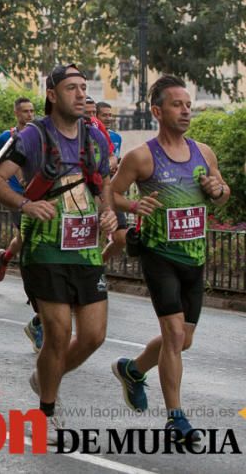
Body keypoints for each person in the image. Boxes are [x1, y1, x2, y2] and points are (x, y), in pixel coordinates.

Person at [0, 64, 116, 435]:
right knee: (57, 334)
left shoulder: (96, 139)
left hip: (86, 248)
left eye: (83, 88)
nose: (79, 95)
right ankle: (47, 411)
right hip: (45, 249)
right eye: (71, 88)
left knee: (93, 337)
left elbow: (102, 182)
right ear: (52, 94)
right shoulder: (31, 137)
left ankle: (44, 376)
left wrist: (107, 213)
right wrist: (25, 205)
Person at [109, 75, 229, 443]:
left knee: (183, 340)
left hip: (194, 257)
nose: (186, 110)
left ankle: (132, 370)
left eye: (188, 104)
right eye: (177, 104)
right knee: (174, 334)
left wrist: (217, 189)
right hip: (159, 255)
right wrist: (132, 204)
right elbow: (111, 192)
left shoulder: (203, 152)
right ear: (157, 111)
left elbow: (222, 195)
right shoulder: (141, 156)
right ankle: (176, 419)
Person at [0, 97, 44, 351]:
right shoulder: (8, 137)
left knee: (24, 241)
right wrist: (14, 177)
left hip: (37, 198)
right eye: (24, 111)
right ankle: (36, 303)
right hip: (17, 198)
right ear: (16, 113)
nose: (29, 115)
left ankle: (6, 256)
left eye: (32, 111)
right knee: (28, 242)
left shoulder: (41, 135)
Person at [96, 101, 128, 264]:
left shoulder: (116, 137)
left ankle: (99, 264)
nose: (108, 118)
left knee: (121, 237)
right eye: (104, 115)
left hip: (109, 190)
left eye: (110, 115)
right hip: (93, 191)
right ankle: (92, 272)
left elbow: (114, 161)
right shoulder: (90, 136)